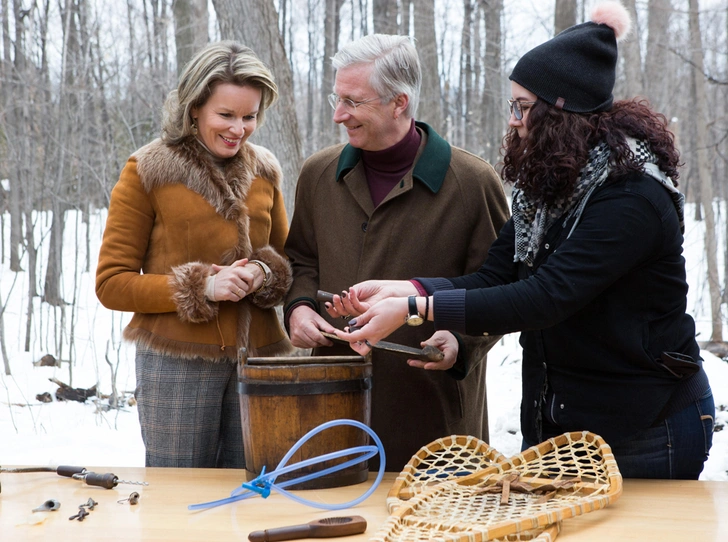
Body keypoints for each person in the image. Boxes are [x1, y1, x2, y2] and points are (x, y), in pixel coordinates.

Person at [333, 2, 715, 480]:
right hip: (558, 421)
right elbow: (496, 276)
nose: (513, 119)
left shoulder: (631, 196)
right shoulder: (549, 188)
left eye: (522, 106)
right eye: (511, 105)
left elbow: (544, 298)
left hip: (645, 426)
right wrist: (409, 289)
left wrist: (416, 309)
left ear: (563, 113)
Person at [283, 34, 510, 471]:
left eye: (352, 101)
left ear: (399, 102)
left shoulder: (473, 182)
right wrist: (297, 308)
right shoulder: (317, 174)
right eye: (336, 97)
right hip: (332, 412)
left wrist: (461, 344)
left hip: (434, 418)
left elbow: (502, 289)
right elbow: (301, 260)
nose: (337, 114)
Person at [96, 41, 292, 468]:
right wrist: (203, 285)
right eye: (226, 115)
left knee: (256, 496)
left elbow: (287, 259)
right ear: (194, 108)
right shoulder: (147, 169)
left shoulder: (266, 170)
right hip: (175, 366)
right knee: (177, 503)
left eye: (250, 116)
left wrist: (264, 271)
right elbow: (111, 284)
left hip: (261, 363)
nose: (238, 128)